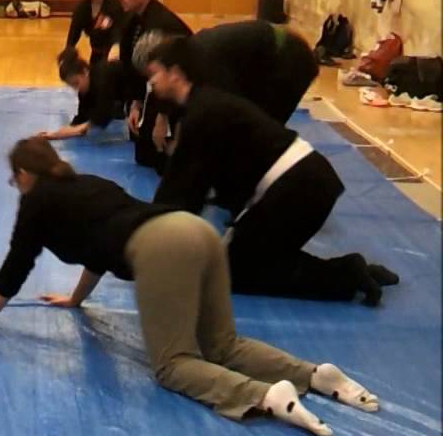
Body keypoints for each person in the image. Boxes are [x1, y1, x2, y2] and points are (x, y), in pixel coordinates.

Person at [0, 137, 381, 436]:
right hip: (196, 231)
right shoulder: (87, 185)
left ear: (24, 174)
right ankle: (315, 375)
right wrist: (75, 299)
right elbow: (99, 250)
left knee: (173, 364)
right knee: (222, 344)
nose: (17, 188)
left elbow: (15, 267)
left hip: (161, 248)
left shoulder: (37, 203)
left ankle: (267, 397)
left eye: (15, 181)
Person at [147, 37, 398, 305]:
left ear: (174, 74)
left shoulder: (202, 113)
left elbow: (183, 191)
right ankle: (357, 272)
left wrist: (149, 234)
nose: (151, 82)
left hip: (298, 188)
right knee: (254, 260)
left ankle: (348, 274)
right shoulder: (206, 104)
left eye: (155, 74)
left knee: (235, 273)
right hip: (304, 182)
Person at [114, 0, 191, 171]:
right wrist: (135, 103)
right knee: (142, 151)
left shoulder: (164, 24)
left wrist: (162, 117)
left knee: (159, 155)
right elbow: (130, 64)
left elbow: (174, 76)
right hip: (154, 88)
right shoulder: (130, 19)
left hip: (180, 91)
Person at [188, 19, 319, 126]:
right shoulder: (194, 54)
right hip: (270, 57)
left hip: (293, 60)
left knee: (267, 128)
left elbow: (231, 111)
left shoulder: (208, 67)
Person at [39, 48, 125, 140]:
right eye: (72, 86)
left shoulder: (102, 78)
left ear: (85, 72)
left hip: (137, 89)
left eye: (76, 83)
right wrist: (55, 134)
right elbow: (81, 117)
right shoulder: (85, 90)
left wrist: (79, 129)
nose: (76, 88)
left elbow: (104, 116)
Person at [65, 0, 126, 66]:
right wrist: (67, 56)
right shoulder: (82, 7)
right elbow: (73, 34)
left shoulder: (115, 4)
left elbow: (118, 31)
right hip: (96, 56)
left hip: (116, 56)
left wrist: (116, 46)